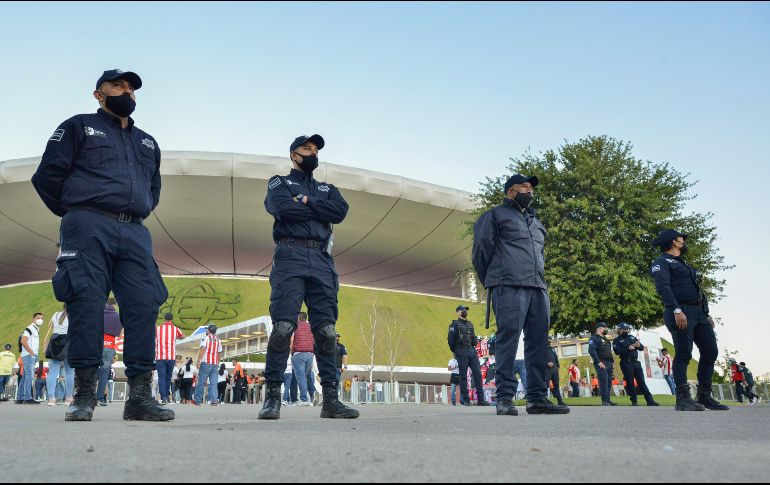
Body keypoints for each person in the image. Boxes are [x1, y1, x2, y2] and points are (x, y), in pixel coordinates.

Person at [31, 69, 172, 422]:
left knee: (143, 305)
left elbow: (152, 190)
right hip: (88, 226)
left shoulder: (147, 142)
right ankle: (83, 394)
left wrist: (133, 210)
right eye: (117, 85)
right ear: (98, 94)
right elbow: (47, 176)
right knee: (86, 303)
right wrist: (76, 211)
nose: (126, 91)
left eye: (130, 88)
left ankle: (139, 396)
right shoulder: (77, 127)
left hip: (135, 231)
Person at [258, 134, 358, 420]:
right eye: (306, 148)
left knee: (327, 332)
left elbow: (340, 212)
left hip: (323, 261)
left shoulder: (328, 188)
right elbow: (282, 209)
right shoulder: (279, 182)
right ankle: (273, 398)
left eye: (315, 149)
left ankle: (330, 400)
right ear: (294, 154)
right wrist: (316, 208)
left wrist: (306, 200)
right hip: (290, 256)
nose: (312, 152)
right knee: (283, 328)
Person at [472, 174, 569, 416]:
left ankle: (537, 398)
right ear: (510, 192)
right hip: (508, 285)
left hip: (538, 287)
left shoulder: (536, 221)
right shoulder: (494, 216)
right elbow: (481, 252)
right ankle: (504, 397)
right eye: (524, 186)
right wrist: (493, 281)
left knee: (538, 342)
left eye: (531, 187)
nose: (530, 190)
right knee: (508, 340)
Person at [651, 229, 728, 411]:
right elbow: (663, 287)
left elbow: (697, 289)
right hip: (680, 311)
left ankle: (704, 395)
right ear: (673, 242)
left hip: (698, 312)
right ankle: (683, 398)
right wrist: (676, 310)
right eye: (680, 238)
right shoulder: (661, 262)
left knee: (710, 351)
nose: (683, 240)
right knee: (684, 353)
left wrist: (706, 313)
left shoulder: (682, 263)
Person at [447, 305, 489, 406]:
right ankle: (465, 399)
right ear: (458, 312)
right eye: (463, 310)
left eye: (465, 310)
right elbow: (450, 341)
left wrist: (474, 344)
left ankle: (481, 400)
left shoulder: (470, 324)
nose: (465, 311)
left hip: (472, 351)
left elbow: (474, 338)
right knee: (463, 376)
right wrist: (457, 351)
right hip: (461, 351)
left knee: (478, 375)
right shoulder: (454, 325)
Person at [612, 323, 659, 406]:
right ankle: (634, 401)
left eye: (627, 329)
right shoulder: (617, 340)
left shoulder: (632, 337)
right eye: (624, 329)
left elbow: (641, 348)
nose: (626, 330)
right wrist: (628, 348)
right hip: (626, 363)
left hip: (636, 363)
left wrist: (639, 345)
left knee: (641, 382)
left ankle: (650, 400)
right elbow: (617, 351)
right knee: (630, 382)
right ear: (620, 330)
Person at [43, 308, 74, 406]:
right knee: (70, 372)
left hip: (55, 344)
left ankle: (51, 398)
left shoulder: (56, 314)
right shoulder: (73, 314)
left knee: (52, 373)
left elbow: (49, 326)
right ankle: (68, 398)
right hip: (68, 344)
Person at [97, 299, 123, 407]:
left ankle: (87, 397)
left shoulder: (98, 314)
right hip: (109, 346)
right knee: (104, 374)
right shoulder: (118, 316)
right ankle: (100, 398)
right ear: (115, 305)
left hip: (96, 344)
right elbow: (119, 333)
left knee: (91, 372)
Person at [156, 312, 185, 404]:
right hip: (171, 357)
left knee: (161, 378)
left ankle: (163, 397)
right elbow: (183, 336)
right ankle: (167, 396)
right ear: (172, 319)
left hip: (160, 357)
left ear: (164, 319)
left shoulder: (158, 329)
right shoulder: (175, 329)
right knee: (168, 378)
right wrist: (175, 337)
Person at [588, 322, 617, 406]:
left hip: (609, 363)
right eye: (605, 328)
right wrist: (598, 362)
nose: (606, 330)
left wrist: (612, 362)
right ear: (599, 328)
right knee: (603, 381)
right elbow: (591, 351)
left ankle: (608, 400)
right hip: (601, 362)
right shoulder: (594, 338)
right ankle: (604, 401)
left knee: (608, 382)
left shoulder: (607, 340)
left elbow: (609, 352)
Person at [17, 313, 44, 404]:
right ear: (33, 319)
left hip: (30, 355)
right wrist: (31, 352)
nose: (40, 319)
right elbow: (23, 340)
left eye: (41, 318)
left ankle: (20, 397)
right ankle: (28, 397)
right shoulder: (30, 328)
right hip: (29, 355)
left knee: (25, 376)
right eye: (38, 318)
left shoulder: (36, 329)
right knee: (29, 376)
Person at [291, 312, 315, 406]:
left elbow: (292, 340)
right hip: (310, 354)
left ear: (298, 318)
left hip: (298, 354)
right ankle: (313, 395)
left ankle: (304, 399)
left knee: (301, 378)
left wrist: (290, 352)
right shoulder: (311, 327)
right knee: (305, 377)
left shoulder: (295, 326)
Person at [195, 324, 223, 406]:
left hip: (206, 363)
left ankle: (198, 400)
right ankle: (214, 400)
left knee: (201, 382)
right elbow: (219, 353)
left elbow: (203, 349)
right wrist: (218, 362)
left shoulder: (205, 338)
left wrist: (198, 361)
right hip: (214, 364)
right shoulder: (218, 340)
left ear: (209, 330)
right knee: (214, 383)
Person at [544, 340, 566, 406]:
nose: (549, 341)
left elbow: (555, 357)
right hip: (546, 369)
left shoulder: (552, 349)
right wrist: (546, 363)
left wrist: (558, 366)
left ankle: (560, 401)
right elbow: (539, 359)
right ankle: (544, 400)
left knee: (556, 385)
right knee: (546, 385)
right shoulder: (541, 349)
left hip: (554, 369)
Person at [512, 332, 527, 400]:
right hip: (516, 359)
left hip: (520, 359)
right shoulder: (525, 331)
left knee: (525, 379)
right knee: (524, 378)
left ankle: (527, 394)